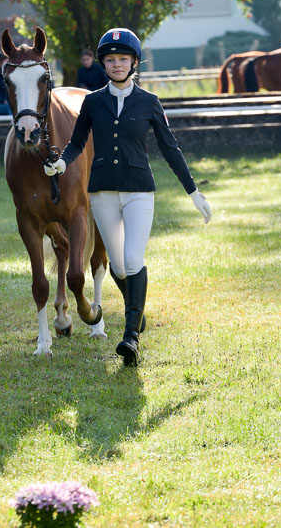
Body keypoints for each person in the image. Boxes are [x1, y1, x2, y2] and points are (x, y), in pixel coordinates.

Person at [44, 28, 212, 367]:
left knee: (133, 260)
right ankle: (137, 311)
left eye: (123, 59)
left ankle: (130, 337)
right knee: (118, 265)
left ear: (134, 62)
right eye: (110, 59)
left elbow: (170, 148)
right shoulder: (92, 103)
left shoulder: (149, 102)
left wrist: (193, 192)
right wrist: (62, 160)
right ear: (103, 64)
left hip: (139, 191)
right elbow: (77, 142)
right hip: (103, 192)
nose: (117, 64)